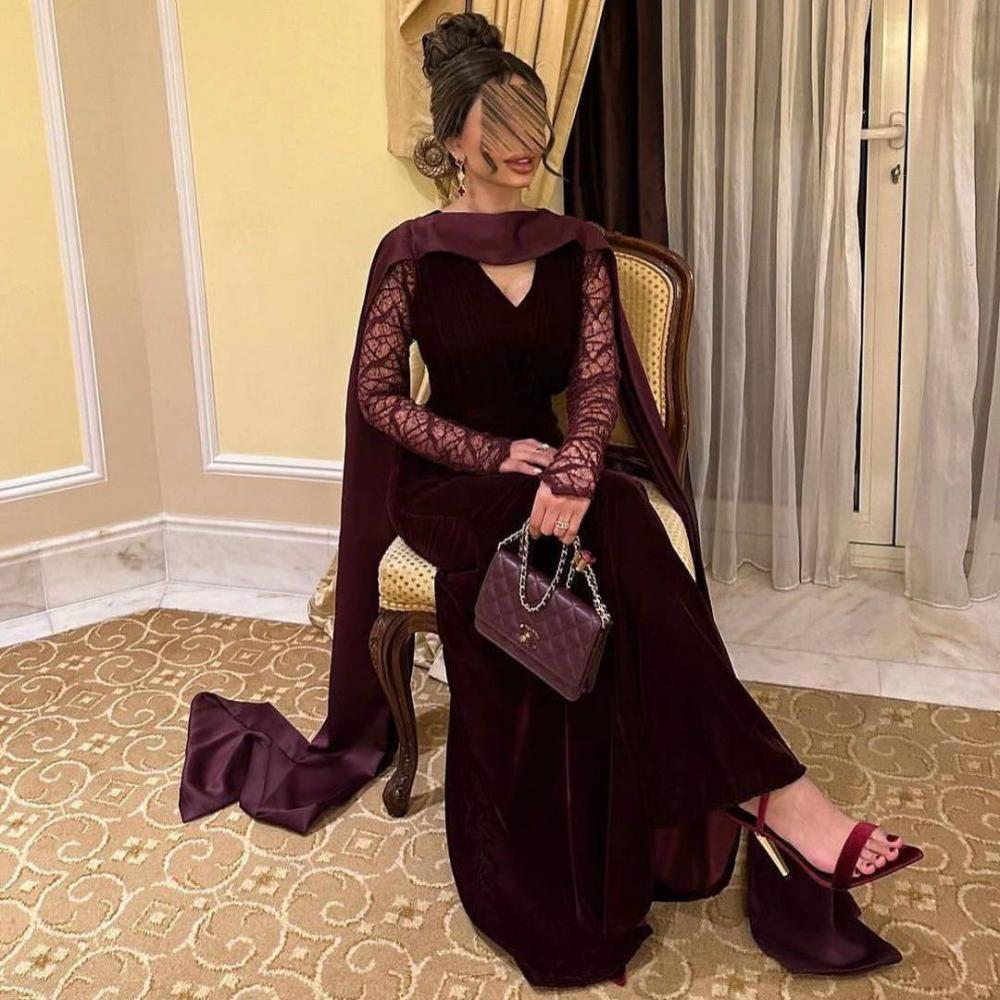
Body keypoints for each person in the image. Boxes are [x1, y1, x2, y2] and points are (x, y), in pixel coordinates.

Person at [179, 11, 924, 989]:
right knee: (613, 521)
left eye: (531, 119)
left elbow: (598, 379)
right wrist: (498, 454)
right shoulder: (412, 252)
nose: (524, 143)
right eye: (499, 125)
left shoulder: (577, 246)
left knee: (609, 511)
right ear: (453, 142)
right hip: (450, 482)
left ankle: (758, 796)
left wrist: (572, 466)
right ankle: (774, 795)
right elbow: (380, 399)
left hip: (553, 467)